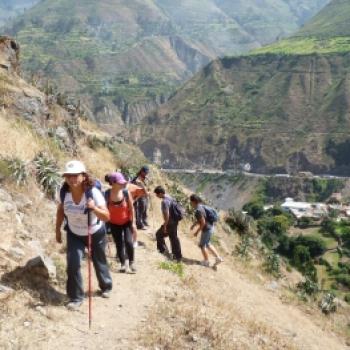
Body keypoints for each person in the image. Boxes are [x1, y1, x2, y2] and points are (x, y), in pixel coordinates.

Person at [55, 160, 112, 311]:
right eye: (68, 176)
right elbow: (60, 211)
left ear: (83, 176)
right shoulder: (63, 193)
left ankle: (106, 286)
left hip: (95, 232)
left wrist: (94, 208)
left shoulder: (93, 193)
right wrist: (57, 230)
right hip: (74, 233)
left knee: (99, 261)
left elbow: (106, 217)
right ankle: (76, 297)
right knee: (72, 264)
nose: (72, 179)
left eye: (76, 175)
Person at [105, 172, 137, 273]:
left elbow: (132, 208)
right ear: (113, 183)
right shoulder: (107, 194)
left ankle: (131, 263)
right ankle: (123, 264)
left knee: (128, 242)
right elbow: (104, 208)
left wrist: (133, 223)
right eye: (120, 182)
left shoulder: (126, 193)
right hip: (113, 223)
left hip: (126, 221)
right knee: (118, 243)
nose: (123, 184)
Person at [189, 194, 223, 268]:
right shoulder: (201, 206)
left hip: (207, 229)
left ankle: (206, 261)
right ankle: (218, 258)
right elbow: (202, 219)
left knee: (202, 245)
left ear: (194, 202)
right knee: (207, 244)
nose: (190, 203)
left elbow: (203, 222)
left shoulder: (198, 210)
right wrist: (194, 225)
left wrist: (197, 232)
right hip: (211, 227)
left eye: (191, 201)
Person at [154, 186, 182, 262]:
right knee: (174, 238)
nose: (156, 196)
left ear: (160, 193)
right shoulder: (170, 197)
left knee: (159, 234)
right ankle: (177, 256)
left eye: (156, 194)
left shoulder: (164, 201)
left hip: (170, 222)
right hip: (175, 221)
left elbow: (167, 215)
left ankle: (163, 252)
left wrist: (165, 225)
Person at [132, 166, 150, 230]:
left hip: (144, 196)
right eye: (145, 172)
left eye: (147, 173)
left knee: (145, 209)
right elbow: (142, 188)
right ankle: (139, 224)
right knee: (139, 210)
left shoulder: (145, 178)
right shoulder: (137, 179)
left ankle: (144, 221)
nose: (146, 174)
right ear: (142, 172)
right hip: (138, 197)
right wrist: (146, 192)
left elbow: (147, 186)